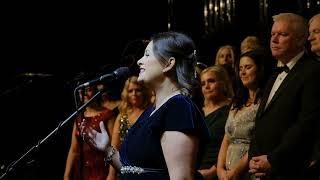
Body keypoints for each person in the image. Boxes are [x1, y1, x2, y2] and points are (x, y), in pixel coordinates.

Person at [83, 31, 210, 180]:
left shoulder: (178, 108)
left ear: (169, 63)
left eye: (147, 54)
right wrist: (107, 149)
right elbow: (135, 171)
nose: (139, 61)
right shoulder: (153, 110)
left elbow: (181, 178)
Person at [248, 13, 320, 180]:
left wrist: (274, 160)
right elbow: (261, 121)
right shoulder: (274, 74)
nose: (274, 40)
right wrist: (254, 158)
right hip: (261, 170)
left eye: (282, 34)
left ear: (301, 40)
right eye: (273, 34)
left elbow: (306, 123)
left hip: (290, 170)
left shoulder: (313, 71)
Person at [216, 49, 272, 180]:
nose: (242, 72)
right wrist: (220, 169)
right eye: (240, 68)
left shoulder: (266, 102)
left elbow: (258, 141)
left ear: (259, 70)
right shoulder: (237, 102)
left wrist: (235, 172)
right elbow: (227, 137)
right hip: (227, 173)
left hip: (249, 172)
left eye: (248, 67)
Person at [64, 85, 117, 180]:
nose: (84, 94)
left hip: (101, 170)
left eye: (88, 90)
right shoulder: (79, 117)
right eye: (81, 92)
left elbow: (115, 147)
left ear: (96, 91)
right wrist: (66, 175)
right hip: (82, 171)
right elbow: (73, 150)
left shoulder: (108, 115)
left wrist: (111, 175)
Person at [107, 75, 152, 180]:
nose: (134, 94)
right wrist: (111, 175)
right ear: (126, 93)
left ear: (144, 92)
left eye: (138, 90)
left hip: (148, 170)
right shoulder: (122, 116)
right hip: (125, 170)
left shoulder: (152, 112)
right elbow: (114, 148)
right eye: (130, 91)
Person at [197, 65, 234, 180]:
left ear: (223, 84)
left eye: (211, 81)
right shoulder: (197, 112)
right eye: (203, 84)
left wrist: (213, 171)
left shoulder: (233, 109)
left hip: (220, 172)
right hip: (194, 171)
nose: (206, 86)